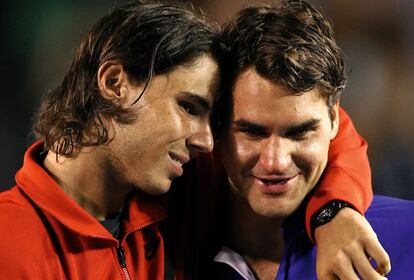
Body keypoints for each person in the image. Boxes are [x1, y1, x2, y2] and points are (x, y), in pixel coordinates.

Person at [0, 1, 389, 279]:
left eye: (212, 117)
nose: (206, 139)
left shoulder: (181, 184)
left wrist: (334, 214)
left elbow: (321, 129)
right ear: (114, 82)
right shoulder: (10, 240)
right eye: (188, 107)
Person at [181, 1, 412, 279]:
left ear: (335, 119)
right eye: (252, 132)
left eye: (299, 132)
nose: (275, 162)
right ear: (216, 126)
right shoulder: (161, 237)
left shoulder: (407, 234)